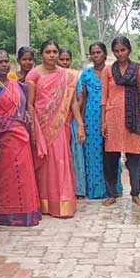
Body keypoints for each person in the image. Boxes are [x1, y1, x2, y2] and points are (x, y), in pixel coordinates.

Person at [26, 40, 85, 218]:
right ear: (41, 54)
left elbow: (73, 102)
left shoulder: (67, 76)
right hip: (41, 126)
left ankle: (63, 203)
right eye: (48, 52)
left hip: (60, 125)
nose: (52, 55)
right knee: (44, 165)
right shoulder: (34, 74)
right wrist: (34, 131)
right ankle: (44, 203)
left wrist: (80, 125)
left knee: (61, 162)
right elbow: (30, 104)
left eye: (54, 52)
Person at [0, 49, 42, 226]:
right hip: (0, 139)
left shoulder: (17, 85)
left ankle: (25, 212)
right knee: (3, 178)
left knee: (23, 176)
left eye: (6, 61)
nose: (4, 64)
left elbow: (25, 108)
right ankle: (3, 214)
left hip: (20, 138)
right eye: (0, 62)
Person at [101, 36, 140, 206]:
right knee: (110, 158)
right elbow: (104, 98)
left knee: (134, 158)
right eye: (116, 51)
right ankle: (112, 193)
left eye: (123, 50)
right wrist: (103, 122)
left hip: (133, 119)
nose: (120, 53)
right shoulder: (108, 71)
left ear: (129, 50)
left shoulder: (139, 70)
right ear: (112, 52)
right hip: (112, 118)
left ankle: (135, 194)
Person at [77, 42, 123, 199]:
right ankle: (96, 190)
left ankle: (113, 189)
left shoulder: (113, 72)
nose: (96, 56)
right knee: (93, 154)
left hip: (111, 118)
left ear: (104, 54)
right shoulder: (85, 75)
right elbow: (82, 99)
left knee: (111, 154)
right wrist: (81, 123)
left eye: (98, 52)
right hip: (91, 118)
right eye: (93, 53)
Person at [58, 48, 88, 197]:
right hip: (57, 120)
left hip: (72, 118)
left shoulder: (75, 77)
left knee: (75, 152)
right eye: (61, 59)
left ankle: (78, 189)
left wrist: (77, 120)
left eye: (67, 59)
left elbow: (79, 99)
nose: (64, 62)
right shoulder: (53, 76)